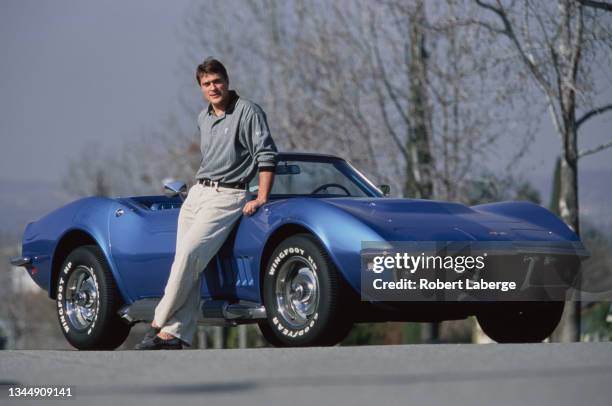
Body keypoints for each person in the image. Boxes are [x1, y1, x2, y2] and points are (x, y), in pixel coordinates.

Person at [135, 58, 277, 350]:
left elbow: (266, 155)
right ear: (200, 88)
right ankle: (173, 335)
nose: (213, 88)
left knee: (188, 255)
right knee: (187, 264)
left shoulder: (248, 112)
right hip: (198, 194)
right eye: (206, 84)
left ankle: (156, 322)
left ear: (227, 80)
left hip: (228, 196)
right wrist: (196, 193)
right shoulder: (203, 118)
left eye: (217, 81)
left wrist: (261, 197)